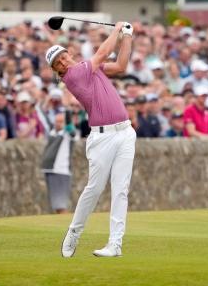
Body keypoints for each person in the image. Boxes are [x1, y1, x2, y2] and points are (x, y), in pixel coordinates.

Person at [47, 21, 135, 258]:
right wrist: (117, 29)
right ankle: (74, 231)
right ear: (58, 70)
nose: (63, 62)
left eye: (63, 57)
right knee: (94, 189)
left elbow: (121, 65)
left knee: (121, 190)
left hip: (125, 132)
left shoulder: (91, 68)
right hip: (101, 138)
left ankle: (115, 245)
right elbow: (103, 52)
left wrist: (127, 36)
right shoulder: (73, 75)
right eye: (58, 63)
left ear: (69, 54)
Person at [41, 111, 77, 214]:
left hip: (61, 171)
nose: (58, 123)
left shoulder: (68, 134)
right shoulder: (53, 132)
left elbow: (71, 129)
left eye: (61, 122)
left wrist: (67, 110)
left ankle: (65, 226)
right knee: (55, 204)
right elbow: (41, 113)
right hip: (50, 169)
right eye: (57, 121)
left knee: (60, 204)